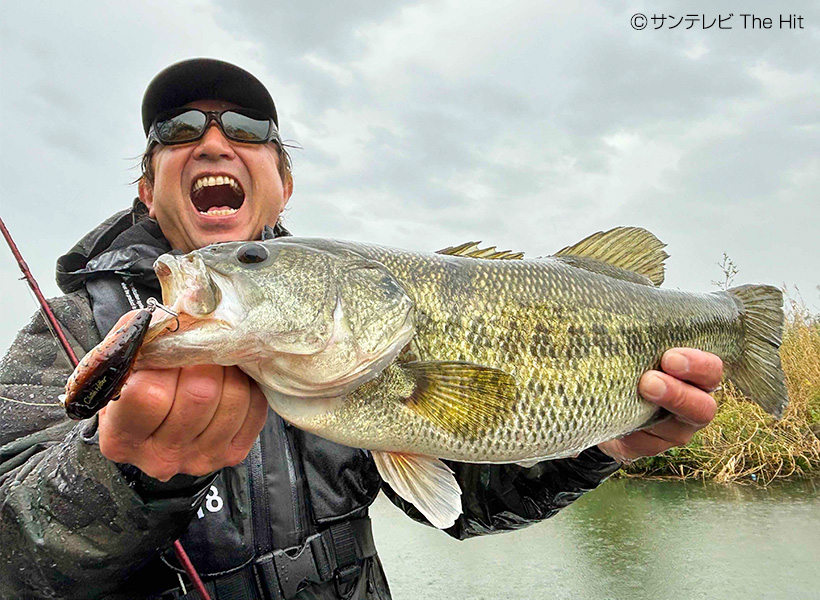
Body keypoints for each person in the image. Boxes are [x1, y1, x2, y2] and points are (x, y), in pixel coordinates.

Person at [0, 58, 722, 600]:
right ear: (145, 188)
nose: (215, 141)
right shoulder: (72, 329)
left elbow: (460, 502)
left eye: (248, 131)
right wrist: (118, 471)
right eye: (178, 131)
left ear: (283, 186)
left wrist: (603, 444)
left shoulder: (348, 328)